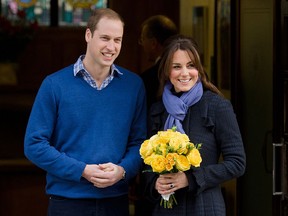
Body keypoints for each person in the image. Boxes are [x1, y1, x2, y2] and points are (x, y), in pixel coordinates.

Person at [24, 8, 147, 216]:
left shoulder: (133, 86)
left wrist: (122, 170)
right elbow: (34, 145)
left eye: (117, 40)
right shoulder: (55, 85)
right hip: (67, 203)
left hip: (115, 202)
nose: (111, 47)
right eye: (105, 38)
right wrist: (82, 170)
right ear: (88, 35)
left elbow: (141, 143)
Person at [142, 35, 246, 215]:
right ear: (167, 71)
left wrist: (190, 179)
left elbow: (237, 163)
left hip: (205, 207)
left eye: (191, 65)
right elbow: (147, 164)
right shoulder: (157, 109)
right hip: (165, 210)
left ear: (199, 68)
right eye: (176, 67)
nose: (184, 73)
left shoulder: (217, 106)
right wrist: (154, 183)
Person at [139, 15, 178, 110]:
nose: (141, 44)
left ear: (153, 44)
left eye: (143, 39)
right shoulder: (195, 71)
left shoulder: (148, 79)